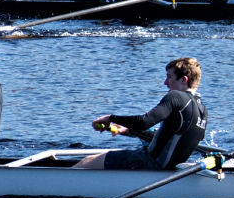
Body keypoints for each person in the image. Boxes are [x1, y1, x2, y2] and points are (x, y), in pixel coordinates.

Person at [77, 56, 208, 171]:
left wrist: (110, 118)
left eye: (169, 77)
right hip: (172, 168)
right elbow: (168, 140)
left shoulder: (176, 97)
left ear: (184, 80)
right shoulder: (202, 110)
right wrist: (128, 130)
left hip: (150, 162)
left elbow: (144, 122)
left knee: (88, 161)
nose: (165, 83)